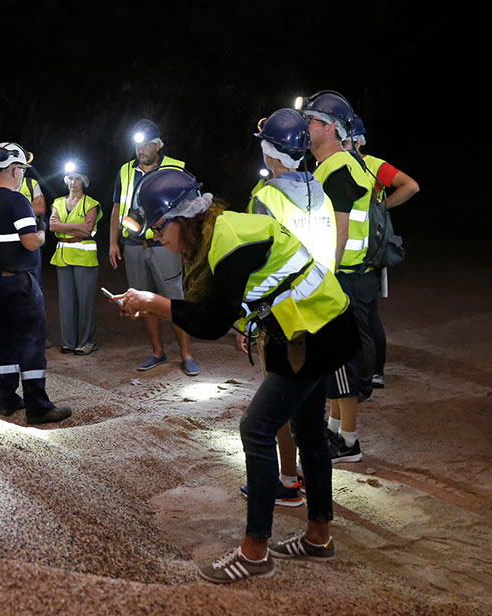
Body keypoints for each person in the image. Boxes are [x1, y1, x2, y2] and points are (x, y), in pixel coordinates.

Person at [112, 167, 357, 582]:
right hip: (305, 326)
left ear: (180, 218)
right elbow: (251, 292)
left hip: (313, 332)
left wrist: (154, 302)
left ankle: (254, 552)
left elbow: (209, 321)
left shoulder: (228, 238)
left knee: (256, 430)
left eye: (159, 228)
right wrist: (247, 327)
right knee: (308, 433)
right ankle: (319, 537)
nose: (158, 238)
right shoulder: (219, 231)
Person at [241, 108, 337, 508]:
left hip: (283, 319)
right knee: (312, 419)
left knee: (275, 408)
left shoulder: (265, 198)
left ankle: (286, 480)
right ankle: (318, 506)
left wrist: (249, 322)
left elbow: (256, 265)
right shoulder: (321, 191)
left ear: (271, 152)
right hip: (325, 313)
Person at [0, 141, 72, 426]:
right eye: (22, 169)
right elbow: (30, 242)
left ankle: (5, 399)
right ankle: (38, 407)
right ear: (15, 170)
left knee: (2, 337)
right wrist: (42, 234)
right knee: (31, 339)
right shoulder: (18, 201)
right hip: (18, 282)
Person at [301, 90, 374, 464]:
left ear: (331, 128)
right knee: (334, 361)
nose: (306, 126)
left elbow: (340, 232)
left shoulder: (340, 168)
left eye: (312, 121)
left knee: (340, 362)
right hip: (346, 273)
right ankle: (334, 430)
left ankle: (348, 441)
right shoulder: (336, 164)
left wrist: (322, 280)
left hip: (341, 276)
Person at [109, 118, 199, 376]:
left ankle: (186, 354)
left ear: (158, 145)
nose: (141, 149)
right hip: (134, 244)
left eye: (147, 144)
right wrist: (113, 242)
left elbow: (191, 210)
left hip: (165, 246)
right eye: (138, 144)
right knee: (142, 299)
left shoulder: (176, 168)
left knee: (174, 300)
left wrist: (187, 243)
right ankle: (158, 352)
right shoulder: (125, 171)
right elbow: (117, 208)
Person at [346, 115, 421, 390]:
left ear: (356, 141)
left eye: (344, 140)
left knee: (366, 315)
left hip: (367, 250)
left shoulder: (370, 164)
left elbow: (411, 186)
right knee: (365, 313)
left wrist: (380, 208)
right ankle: (370, 370)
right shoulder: (335, 166)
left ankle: (373, 371)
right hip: (352, 250)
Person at [49, 160, 102, 355]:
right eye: (70, 178)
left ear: (84, 181)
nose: (73, 182)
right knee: (66, 302)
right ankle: (68, 342)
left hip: (85, 257)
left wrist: (64, 227)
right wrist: (76, 227)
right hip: (63, 256)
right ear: (65, 180)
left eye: (77, 178)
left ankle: (87, 341)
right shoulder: (58, 202)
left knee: (85, 301)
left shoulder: (91, 204)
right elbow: (52, 226)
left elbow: (88, 230)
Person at [18, 168, 48, 284]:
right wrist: (29, 207)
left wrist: (12, 211)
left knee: (33, 277)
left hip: (31, 234)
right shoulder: (2, 183)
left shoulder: (30, 183)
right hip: (11, 239)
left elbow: (40, 209)